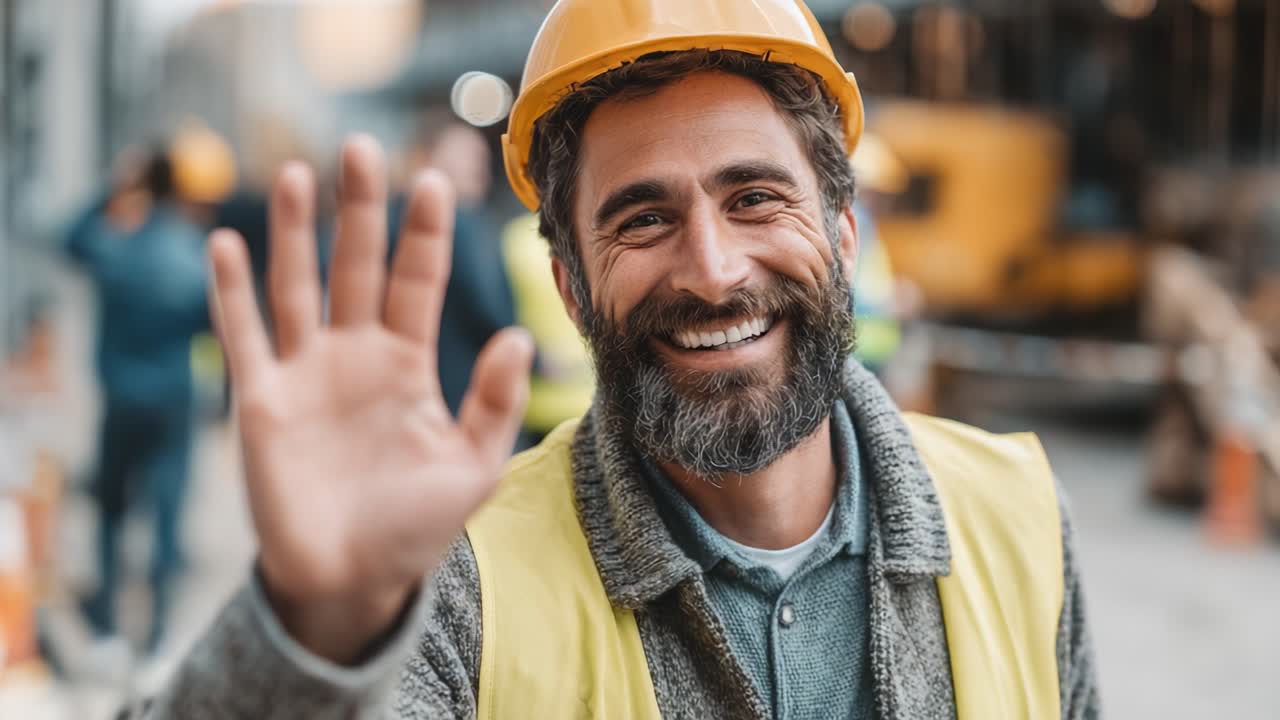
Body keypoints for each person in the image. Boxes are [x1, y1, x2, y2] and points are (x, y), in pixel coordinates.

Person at [155, 2, 1099, 718]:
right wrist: (308, 632)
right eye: (643, 219)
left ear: (846, 238)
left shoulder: (1017, 515)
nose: (714, 271)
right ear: (571, 289)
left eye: (757, 198)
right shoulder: (460, 579)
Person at [66, 148, 210, 653]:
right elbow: (212, 322)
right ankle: (158, 631)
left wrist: (113, 186)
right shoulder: (194, 251)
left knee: (112, 509)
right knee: (167, 514)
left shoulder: (118, 244)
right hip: (173, 396)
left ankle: (107, 623)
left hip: (121, 395)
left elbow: (72, 240)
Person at [388, 116, 516, 417]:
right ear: (426, 158)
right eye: (468, 157)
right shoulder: (462, 222)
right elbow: (487, 308)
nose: (481, 169)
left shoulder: (390, 217)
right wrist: (532, 356)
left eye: (481, 158)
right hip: (462, 389)